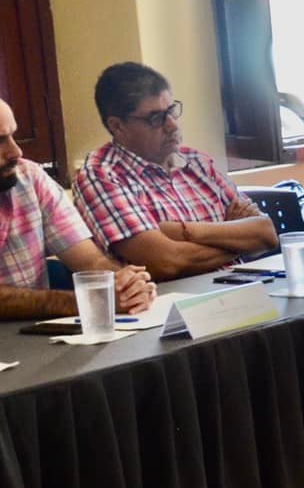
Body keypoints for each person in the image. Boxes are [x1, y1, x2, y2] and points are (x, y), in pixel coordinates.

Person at [73, 63, 281, 279]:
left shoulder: (197, 162)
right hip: (175, 298)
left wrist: (184, 231)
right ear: (117, 126)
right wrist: (233, 235)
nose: (172, 125)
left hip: (240, 287)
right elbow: (166, 263)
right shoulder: (101, 176)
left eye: (171, 111)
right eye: (155, 118)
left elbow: (266, 234)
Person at [0, 97, 154, 318]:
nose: (16, 152)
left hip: (34, 334)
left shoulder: (29, 177)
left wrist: (126, 286)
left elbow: (91, 261)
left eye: (13, 136)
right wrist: (92, 301)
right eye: (0, 141)